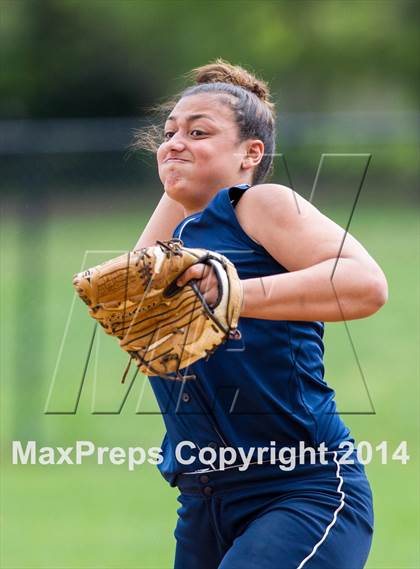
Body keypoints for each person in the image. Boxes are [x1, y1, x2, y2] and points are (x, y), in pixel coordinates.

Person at [132, 59, 388, 569]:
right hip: (205, 499)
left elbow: (366, 285)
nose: (174, 141)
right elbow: (136, 309)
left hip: (300, 488)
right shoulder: (180, 236)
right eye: (169, 133)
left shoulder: (259, 204)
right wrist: (180, 180)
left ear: (252, 153)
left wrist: (235, 291)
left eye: (198, 131)